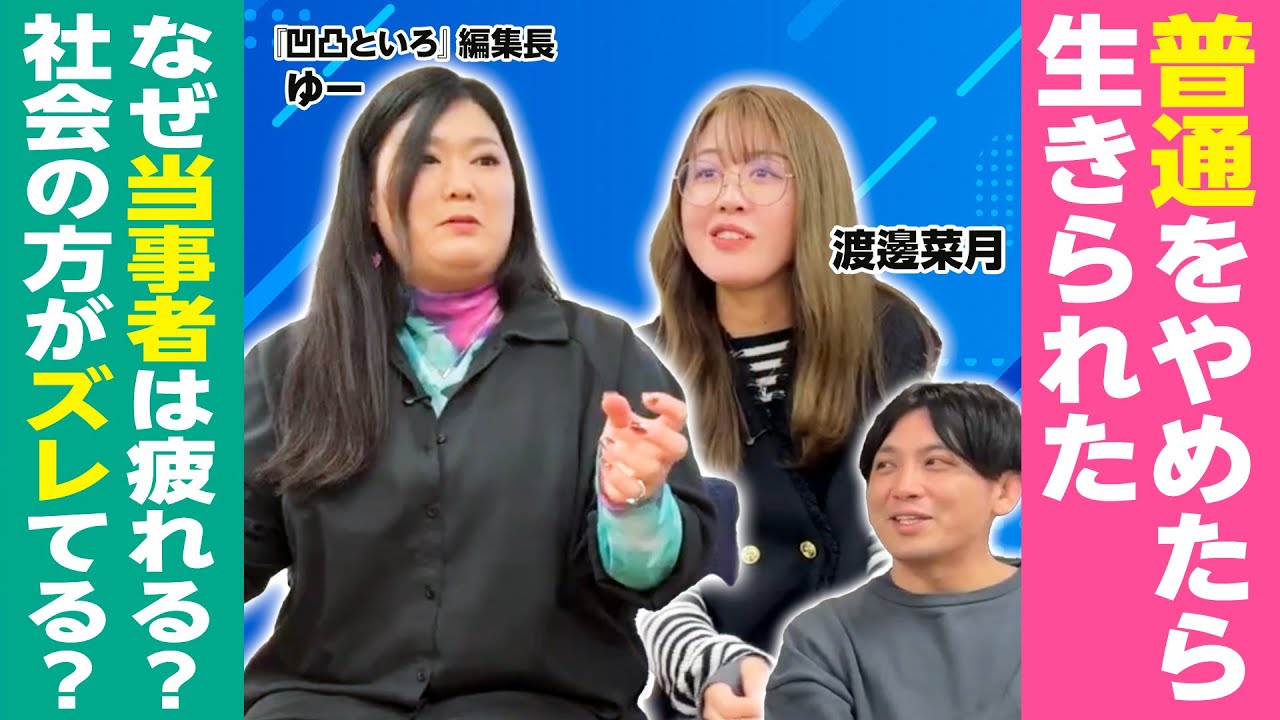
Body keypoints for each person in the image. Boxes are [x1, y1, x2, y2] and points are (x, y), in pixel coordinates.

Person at [242, 67, 717, 720]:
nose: (460, 184)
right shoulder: (287, 366)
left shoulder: (605, 357)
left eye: (486, 160)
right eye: (424, 159)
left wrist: (633, 508)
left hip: (542, 707)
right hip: (323, 704)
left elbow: (655, 575)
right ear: (370, 201)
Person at [633, 84, 942, 719]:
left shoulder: (888, 338)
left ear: (817, 197)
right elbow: (635, 569)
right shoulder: (637, 364)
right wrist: (717, 669)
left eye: (764, 172)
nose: (728, 195)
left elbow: (905, 530)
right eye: (706, 173)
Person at [764, 381, 1022, 719]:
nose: (904, 487)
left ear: (1004, 491)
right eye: (886, 466)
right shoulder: (822, 641)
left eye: (935, 462)